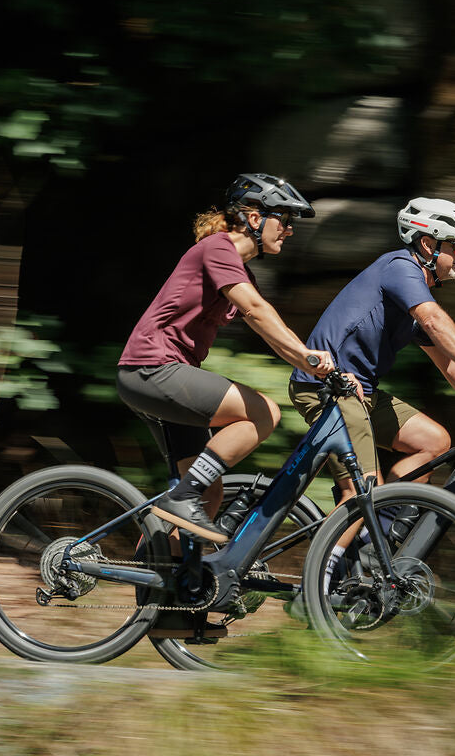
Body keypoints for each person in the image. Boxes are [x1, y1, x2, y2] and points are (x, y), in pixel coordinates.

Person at [117, 173, 334, 547]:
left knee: (209, 495)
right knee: (264, 412)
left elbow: (267, 332)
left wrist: (310, 366)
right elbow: (254, 310)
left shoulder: (237, 267)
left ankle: (161, 589)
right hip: (152, 368)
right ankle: (181, 498)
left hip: (164, 374)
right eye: (284, 219)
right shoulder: (218, 248)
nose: (289, 230)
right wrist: (306, 354)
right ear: (254, 218)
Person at [288, 196, 455, 516]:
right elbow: (434, 321)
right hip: (327, 387)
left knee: (434, 442)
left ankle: (376, 538)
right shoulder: (400, 268)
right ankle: (328, 563)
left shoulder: (412, 295)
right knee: (362, 491)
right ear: (427, 244)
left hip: (361, 392)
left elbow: (449, 365)